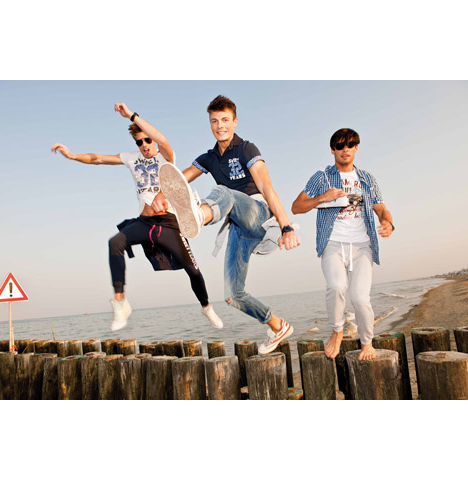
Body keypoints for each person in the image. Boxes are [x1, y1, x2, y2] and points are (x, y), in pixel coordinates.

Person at [51, 103, 223, 332]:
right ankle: (120, 303)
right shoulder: (131, 158)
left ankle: (206, 307)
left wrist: (132, 116)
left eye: (147, 140)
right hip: (145, 222)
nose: (144, 145)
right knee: (115, 242)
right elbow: (97, 159)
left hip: (168, 223)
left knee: (192, 270)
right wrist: (72, 155)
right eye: (139, 142)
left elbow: (162, 140)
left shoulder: (166, 157)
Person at [154, 95, 300, 354]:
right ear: (210, 123)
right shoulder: (209, 157)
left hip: (257, 213)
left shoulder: (246, 149)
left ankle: (200, 215)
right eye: (214, 121)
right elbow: (181, 178)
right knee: (233, 295)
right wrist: (162, 193)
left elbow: (267, 187)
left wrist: (285, 226)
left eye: (225, 120)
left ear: (235, 121)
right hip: (237, 226)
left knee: (224, 192)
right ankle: (278, 326)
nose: (220, 125)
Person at [291, 128, 394, 360]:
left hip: (362, 245)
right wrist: (322, 197)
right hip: (332, 243)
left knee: (360, 297)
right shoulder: (322, 177)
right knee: (336, 286)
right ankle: (337, 331)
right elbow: (296, 207)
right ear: (332, 150)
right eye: (339, 145)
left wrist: (387, 222)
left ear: (356, 147)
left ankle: (367, 343)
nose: (344, 149)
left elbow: (381, 209)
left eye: (350, 144)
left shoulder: (367, 179)